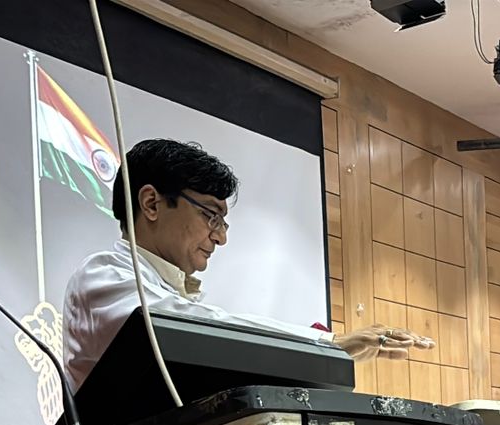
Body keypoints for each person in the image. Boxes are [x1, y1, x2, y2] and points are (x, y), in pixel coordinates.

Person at [64, 138, 431, 390]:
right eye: (211, 215)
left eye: (223, 222)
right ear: (152, 204)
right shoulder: (102, 276)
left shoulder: (167, 290)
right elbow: (180, 326)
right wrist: (326, 343)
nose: (220, 237)